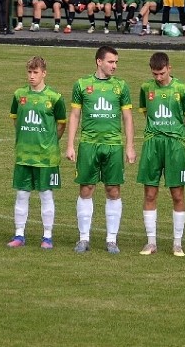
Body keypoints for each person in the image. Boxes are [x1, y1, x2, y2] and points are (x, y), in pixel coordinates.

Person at [65, 45, 136, 254]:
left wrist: (130, 146)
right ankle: (83, 238)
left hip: (113, 145)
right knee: (86, 189)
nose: (114, 66)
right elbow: (75, 115)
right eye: (111, 62)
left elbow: (128, 118)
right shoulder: (82, 84)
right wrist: (70, 144)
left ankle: (111, 240)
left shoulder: (121, 87)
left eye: (116, 62)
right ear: (99, 61)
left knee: (113, 190)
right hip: (88, 144)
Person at [136, 52, 185, 256]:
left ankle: (177, 243)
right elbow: (145, 111)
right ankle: (151, 242)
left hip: (174, 146)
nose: (158, 78)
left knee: (177, 194)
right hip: (152, 144)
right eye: (155, 74)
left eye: (161, 73)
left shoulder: (183, 89)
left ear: (169, 68)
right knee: (150, 193)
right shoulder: (146, 88)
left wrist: (176, 132)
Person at [7, 56, 67, 249]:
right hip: (24, 155)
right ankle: (19, 235)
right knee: (22, 195)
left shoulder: (54, 98)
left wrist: (49, 142)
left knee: (46, 195)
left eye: (36, 72)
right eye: (29, 72)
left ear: (44, 73)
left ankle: (47, 236)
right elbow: (16, 119)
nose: (32, 76)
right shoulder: (19, 95)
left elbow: (60, 125)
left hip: (46, 156)